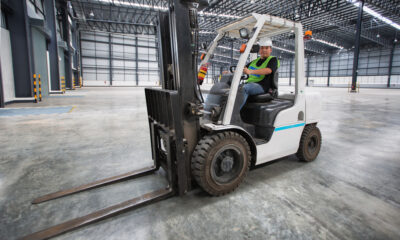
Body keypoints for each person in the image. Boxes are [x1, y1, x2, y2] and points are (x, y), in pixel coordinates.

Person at [240, 37, 280, 109]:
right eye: (262, 48)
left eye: (266, 48)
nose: (264, 50)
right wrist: (232, 72)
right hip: (250, 84)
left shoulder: (273, 59)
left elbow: (268, 70)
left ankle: (234, 113)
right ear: (259, 50)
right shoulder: (255, 61)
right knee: (233, 88)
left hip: (263, 86)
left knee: (244, 89)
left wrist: (250, 71)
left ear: (270, 50)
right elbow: (243, 68)